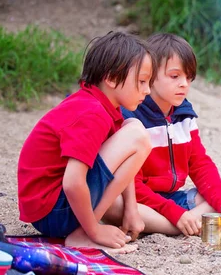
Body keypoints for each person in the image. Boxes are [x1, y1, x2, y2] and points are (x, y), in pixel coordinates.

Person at [18, 31, 157, 252]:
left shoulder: (101, 105)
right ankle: (84, 232)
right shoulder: (92, 113)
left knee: (133, 128)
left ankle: (88, 225)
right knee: (137, 135)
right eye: (141, 81)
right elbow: (73, 182)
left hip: (53, 207)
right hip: (52, 211)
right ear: (111, 78)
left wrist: (131, 208)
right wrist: (94, 230)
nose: (147, 90)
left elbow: (123, 159)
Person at [122, 33, 221, 236]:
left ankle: (190, 222)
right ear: (149, 76)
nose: (184, 84)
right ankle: (184, 225)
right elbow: (131, 184)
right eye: (175, 76)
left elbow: (200, 165)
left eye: (189, 77)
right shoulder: (133, 117)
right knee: (118, 206)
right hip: (142, 202)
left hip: (175, 198)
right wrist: (175, 213)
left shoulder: (183, 114)